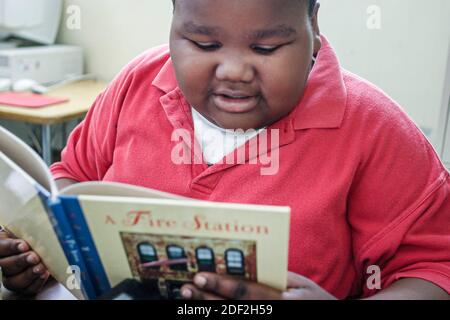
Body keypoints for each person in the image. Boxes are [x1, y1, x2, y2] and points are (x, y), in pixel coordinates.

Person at [0, 0, 449, 300]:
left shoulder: (372, 126)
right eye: (204, 44)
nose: (234, 70)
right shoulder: (136, 85)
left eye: (266, 47)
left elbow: (435, 269)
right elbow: (70, 176)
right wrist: (43, 253)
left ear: (312, 24)